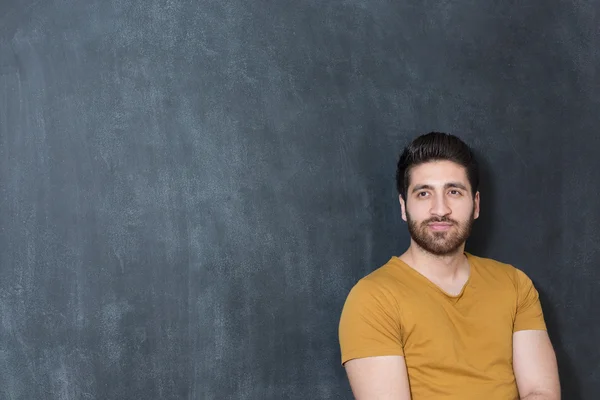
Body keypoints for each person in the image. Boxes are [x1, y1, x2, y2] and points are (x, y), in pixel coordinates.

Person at [338, 132, 560, 399]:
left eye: (453, 192)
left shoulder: (514, 284)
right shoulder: (372, 299)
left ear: (475, 205)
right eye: (423, 193)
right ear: (403, 207)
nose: (440, 209)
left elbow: (541, 392)